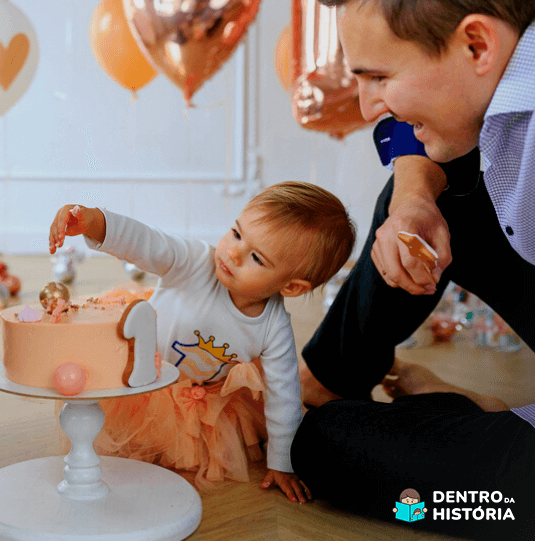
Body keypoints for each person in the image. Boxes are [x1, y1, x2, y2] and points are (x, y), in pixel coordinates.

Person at [289, 0, 535, 541]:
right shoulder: (494, 62)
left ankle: (478, 418)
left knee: (335, 455)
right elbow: (410, 134)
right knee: (426, 175)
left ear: (478, 45)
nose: (369, 107)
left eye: (379, 77)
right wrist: (413, 199)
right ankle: (328, 378)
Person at [49, 181, 356, 502]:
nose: (233, 252)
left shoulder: (274, 327)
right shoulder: (195, 261)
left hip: (198, 395)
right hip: (140, 369)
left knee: (176, 454)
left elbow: (285, 398)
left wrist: (282, 463)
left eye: (256, 258)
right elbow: (146, 242)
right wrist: (94, 222)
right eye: (237, 233)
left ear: (291, 287)